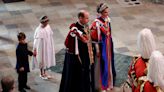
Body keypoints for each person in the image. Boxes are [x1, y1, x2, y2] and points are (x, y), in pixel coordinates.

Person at [59, 10, 92, 92]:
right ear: (80, 18)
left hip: (85, 57)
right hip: (76, 59)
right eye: (87, 18)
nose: (88, 20)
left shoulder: (86, 26)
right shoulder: (74, 30)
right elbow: (67, 44)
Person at [90, 3, 116, 91]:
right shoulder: (96, 23)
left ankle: (109, 84)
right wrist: (97, 50)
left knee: (108, 65)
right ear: (101, 13)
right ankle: (101, 86)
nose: (107, 14)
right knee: (102, 65)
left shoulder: (107, 20)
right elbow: (94, 39)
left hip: (108, 46)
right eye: (105, 12)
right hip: (102, 47)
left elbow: (110, 33)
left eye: (107, 12)